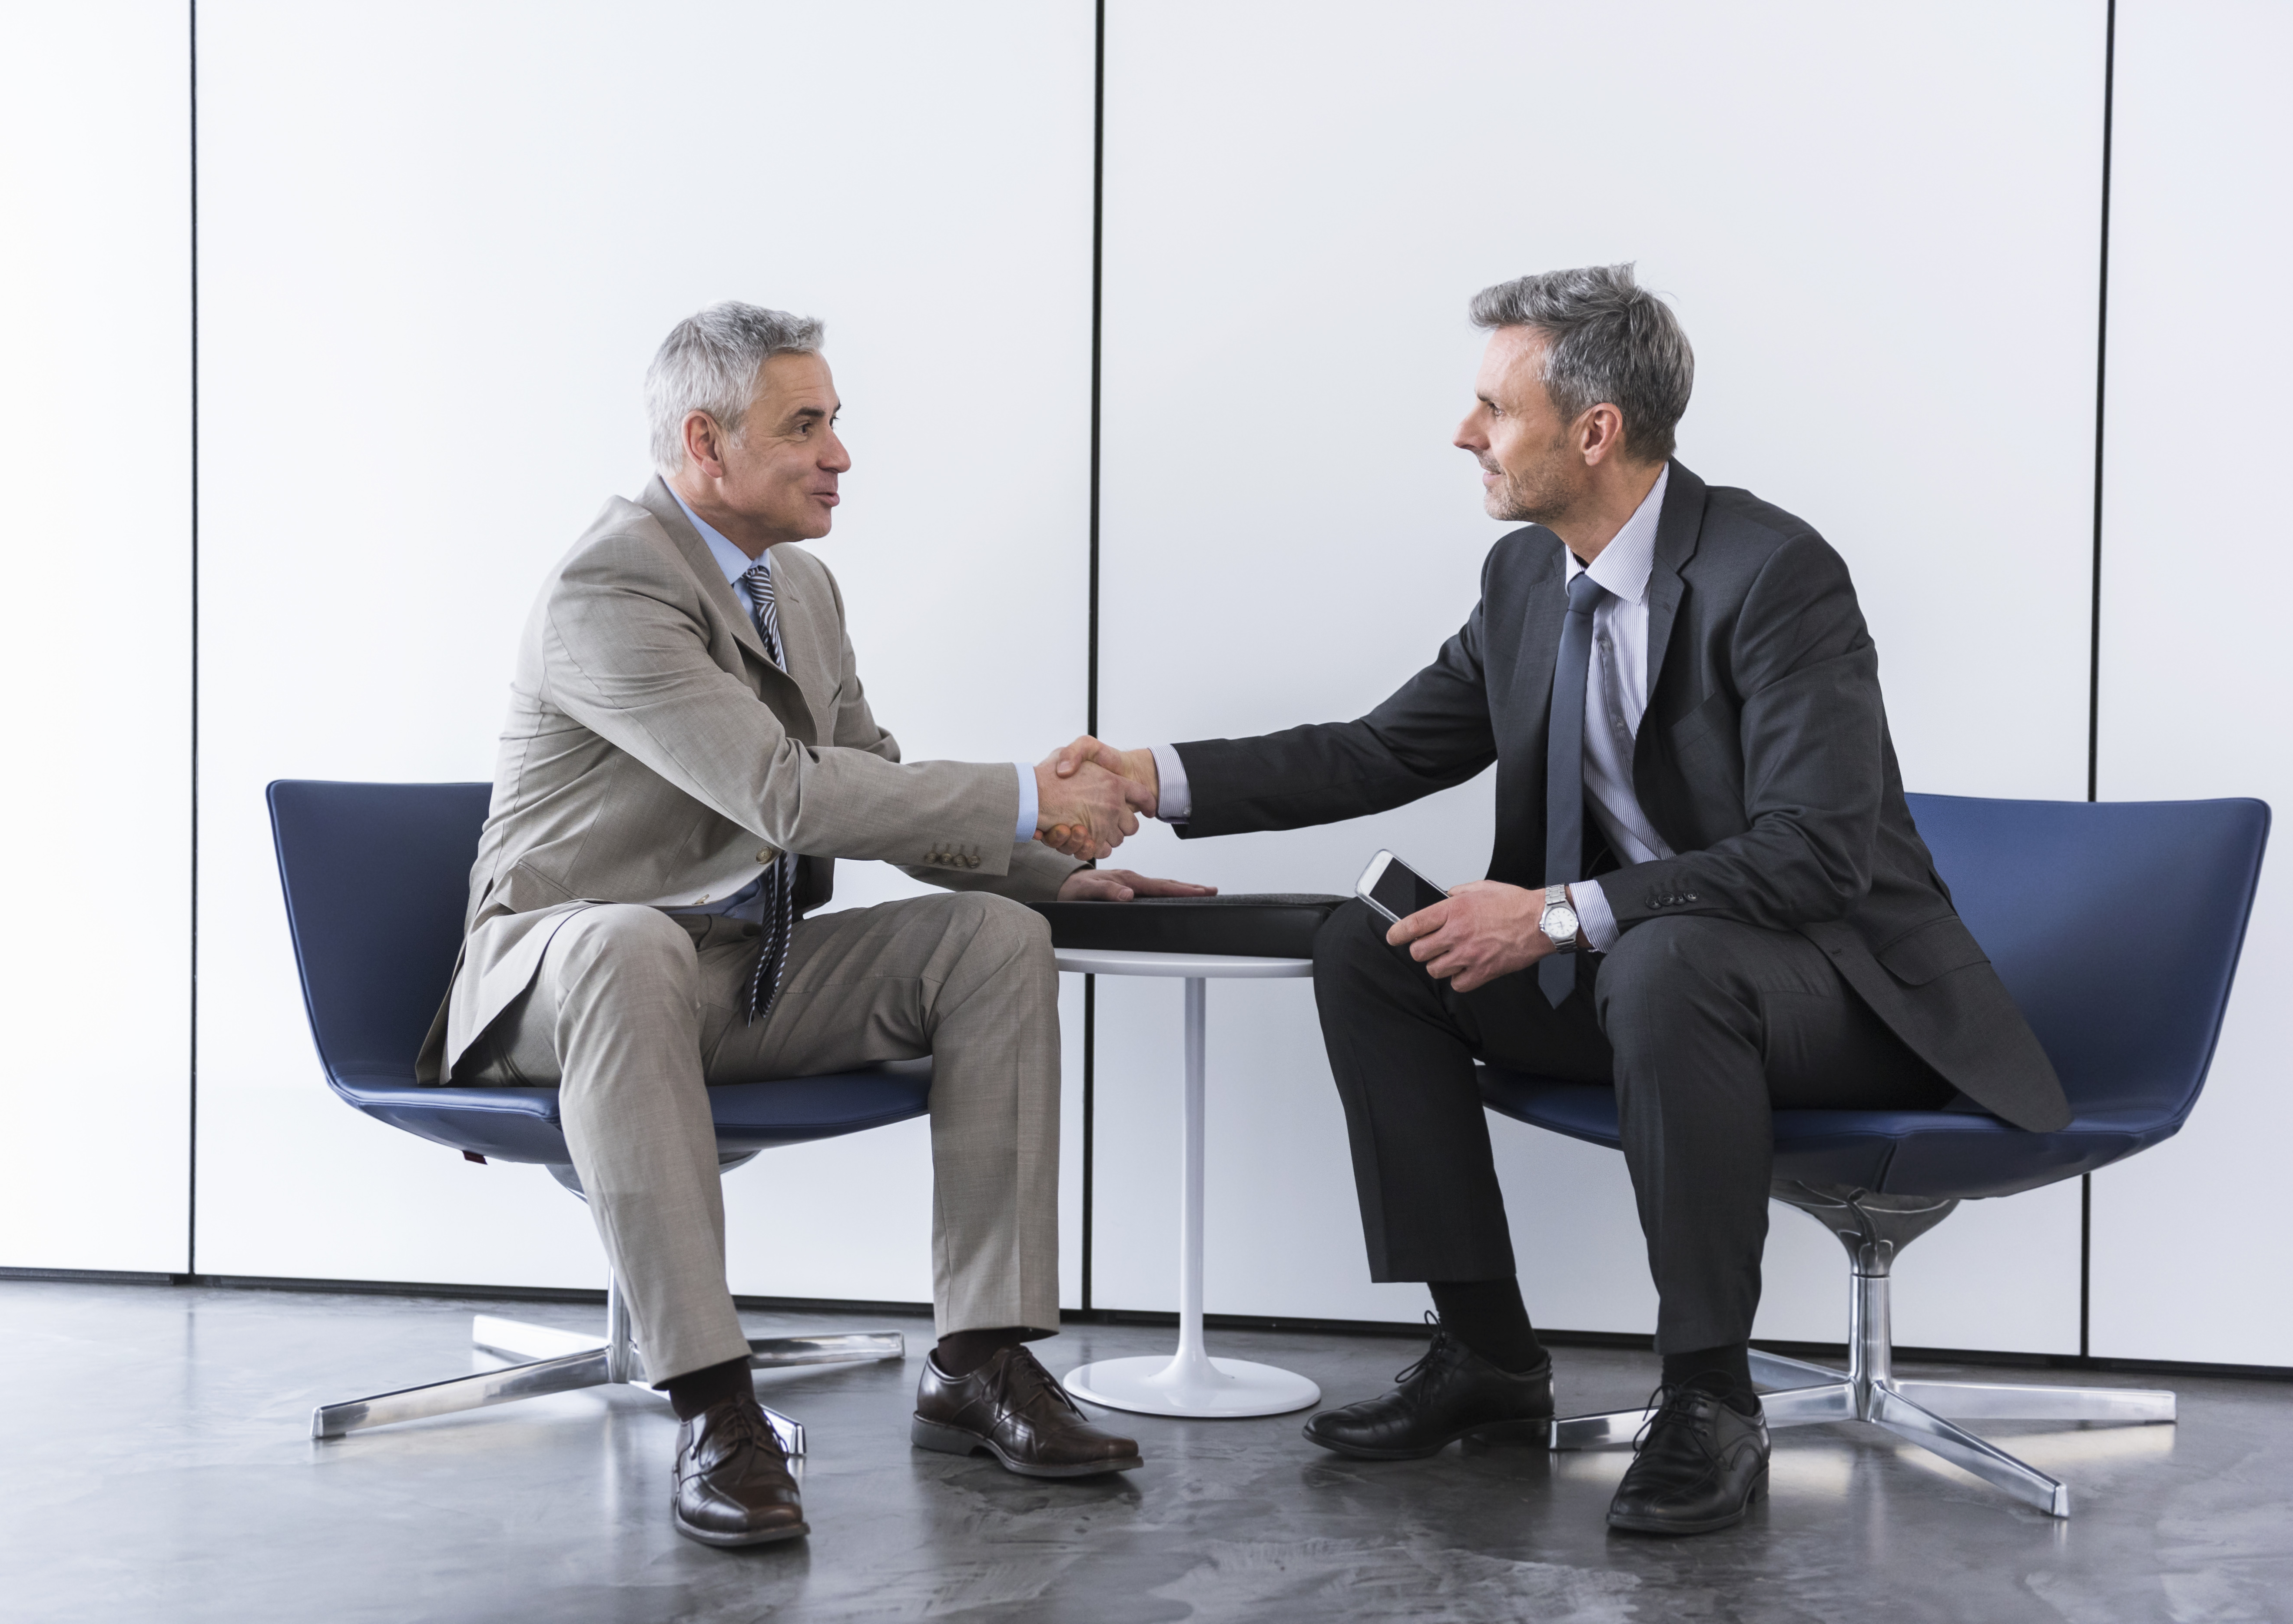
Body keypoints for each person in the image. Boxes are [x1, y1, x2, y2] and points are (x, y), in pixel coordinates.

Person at [1048, 263, 2069, 1536]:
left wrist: (1554, 912)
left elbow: (1814, 855)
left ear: (1596, 431)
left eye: (1494, 406)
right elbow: (1381, 748)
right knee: (1370, 948)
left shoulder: (1777, 575)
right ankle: (1487, 1355)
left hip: (1839, 995)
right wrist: (1154, 778)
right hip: (1651, 982)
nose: (1464, 431)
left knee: (1665, 961)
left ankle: (1710, 1399)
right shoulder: (1530, 581)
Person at [424, 301, 1210, 1548]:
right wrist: (1029, 789)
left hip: (739, 972)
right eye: (806, 426)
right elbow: (783, 792)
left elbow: (870, 780)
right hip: (567, 979)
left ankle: (981, 1359)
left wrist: (1049, 874)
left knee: (990, 943)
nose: (840, 453)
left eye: (836, 420)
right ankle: (715, 1404)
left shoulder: (803, 587)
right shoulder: (609, 583)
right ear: (705, 441)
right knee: (630, 940)